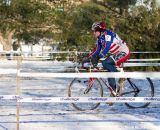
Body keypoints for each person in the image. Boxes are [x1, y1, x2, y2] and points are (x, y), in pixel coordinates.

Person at [84, 21, 130, 95]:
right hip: (116, 53)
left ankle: (122, 76)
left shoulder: (107, 34)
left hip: (123, 51)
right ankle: (114, 92)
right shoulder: (99, 38)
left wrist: (98, 57)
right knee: (109, 71)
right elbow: (97, 50)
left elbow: (107, 48)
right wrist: (88, 57)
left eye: (95, 31)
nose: (94, 33)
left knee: (105, 63)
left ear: (100, 30)